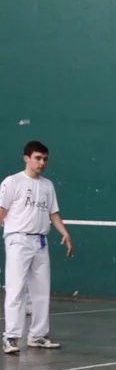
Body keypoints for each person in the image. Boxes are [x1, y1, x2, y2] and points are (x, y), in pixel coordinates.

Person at [1, 140, 73, 355]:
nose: (42, 163)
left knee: (41, 291)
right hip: (18, 240)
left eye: (45, 159)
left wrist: (65, 233)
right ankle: (11, 337)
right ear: (27, 158)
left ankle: (38, 336)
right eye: (38, 158)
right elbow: (1, 210)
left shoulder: (47, 185)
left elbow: (53, 213)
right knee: (15, 290)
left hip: (40, 242)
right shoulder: (12, 182)